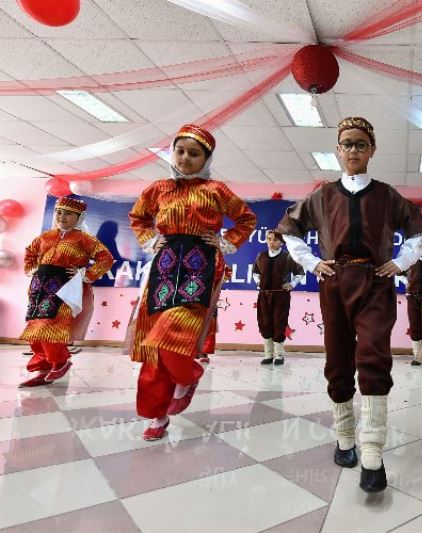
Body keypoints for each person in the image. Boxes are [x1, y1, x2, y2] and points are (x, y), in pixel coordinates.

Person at [277, 116, 422, 493]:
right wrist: (313, 262)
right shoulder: (323, 195)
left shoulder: (386, 195)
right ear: (338, 149)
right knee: (338, 356)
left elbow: (418, 228)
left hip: (376, 281)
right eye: (348, 143)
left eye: (362, 144)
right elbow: (290, 229)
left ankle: (373, 451)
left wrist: (402, 261)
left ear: (372, 150)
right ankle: (345, 438)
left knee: (374, 355)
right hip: (334, 282)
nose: (354, 150)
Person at [127, 124, 256, 441]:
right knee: (154, 347)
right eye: (180, 151)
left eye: (194, 153)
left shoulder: (216, 190)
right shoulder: (157, 189)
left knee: (168, 335)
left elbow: (246, 219)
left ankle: (190, 373)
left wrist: (225, 241)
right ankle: (157, 416)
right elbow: (138, 218)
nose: (185, 158)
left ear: (206, 158)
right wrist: (149, 239)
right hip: (165, 265)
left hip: (201, 265)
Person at [19, 197, 113, 387]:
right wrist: (32, 268)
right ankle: (42, 370)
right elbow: (29, 253)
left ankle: (60, 361)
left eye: (68, 213)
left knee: (50, 327)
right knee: (35, 330)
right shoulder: (46, 236)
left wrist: (86, 273)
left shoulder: (84, 239)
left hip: (64, 289)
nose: (62, 217)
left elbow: (106, 259)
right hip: (39, 289)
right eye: (59, 212)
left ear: (79, 217)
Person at [253, 230, 304, 365]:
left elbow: (300, 273)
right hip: (264, 295)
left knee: (279, 323)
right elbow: (255, 272)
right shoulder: (261, 256)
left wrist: (292, 284)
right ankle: (268, 355)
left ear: (281, 242)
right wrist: (258, 282)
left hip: (281, 296)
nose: (271, 242)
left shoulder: (287, 257)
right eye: (269, 239)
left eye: (275, 240)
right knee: (264, 323)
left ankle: (279, 355)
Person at [399, 239, 422, 366]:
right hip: (412, 297)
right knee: (415, 326)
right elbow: (399, 273)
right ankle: (418, 356)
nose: (420, 247)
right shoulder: (411, 261)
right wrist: (405, 282)